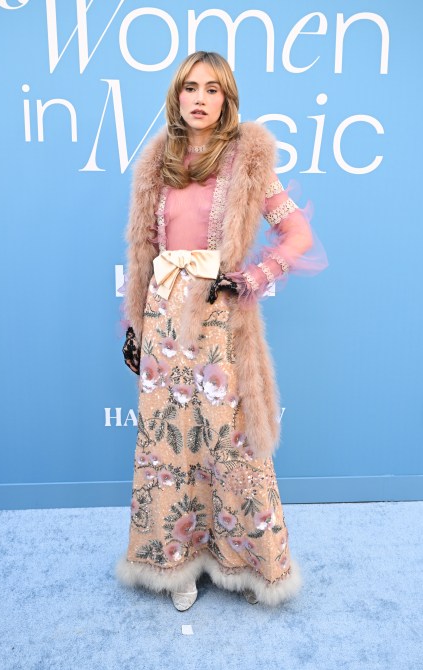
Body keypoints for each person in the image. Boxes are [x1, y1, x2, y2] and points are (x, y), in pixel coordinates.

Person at [115, 51, 328, 611]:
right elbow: (143, 253)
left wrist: (254, 276)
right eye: (191, 87)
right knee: (168, 446)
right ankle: (177, 562)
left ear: (227, 99)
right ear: (177, 95)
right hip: (164, 320)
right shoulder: (157, 162)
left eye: (213, 89)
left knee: (231, 443)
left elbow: (298, 234)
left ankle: (249, 562)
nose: (200, 98)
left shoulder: (247, 162)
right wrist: (135, 326)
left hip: (218, 317)